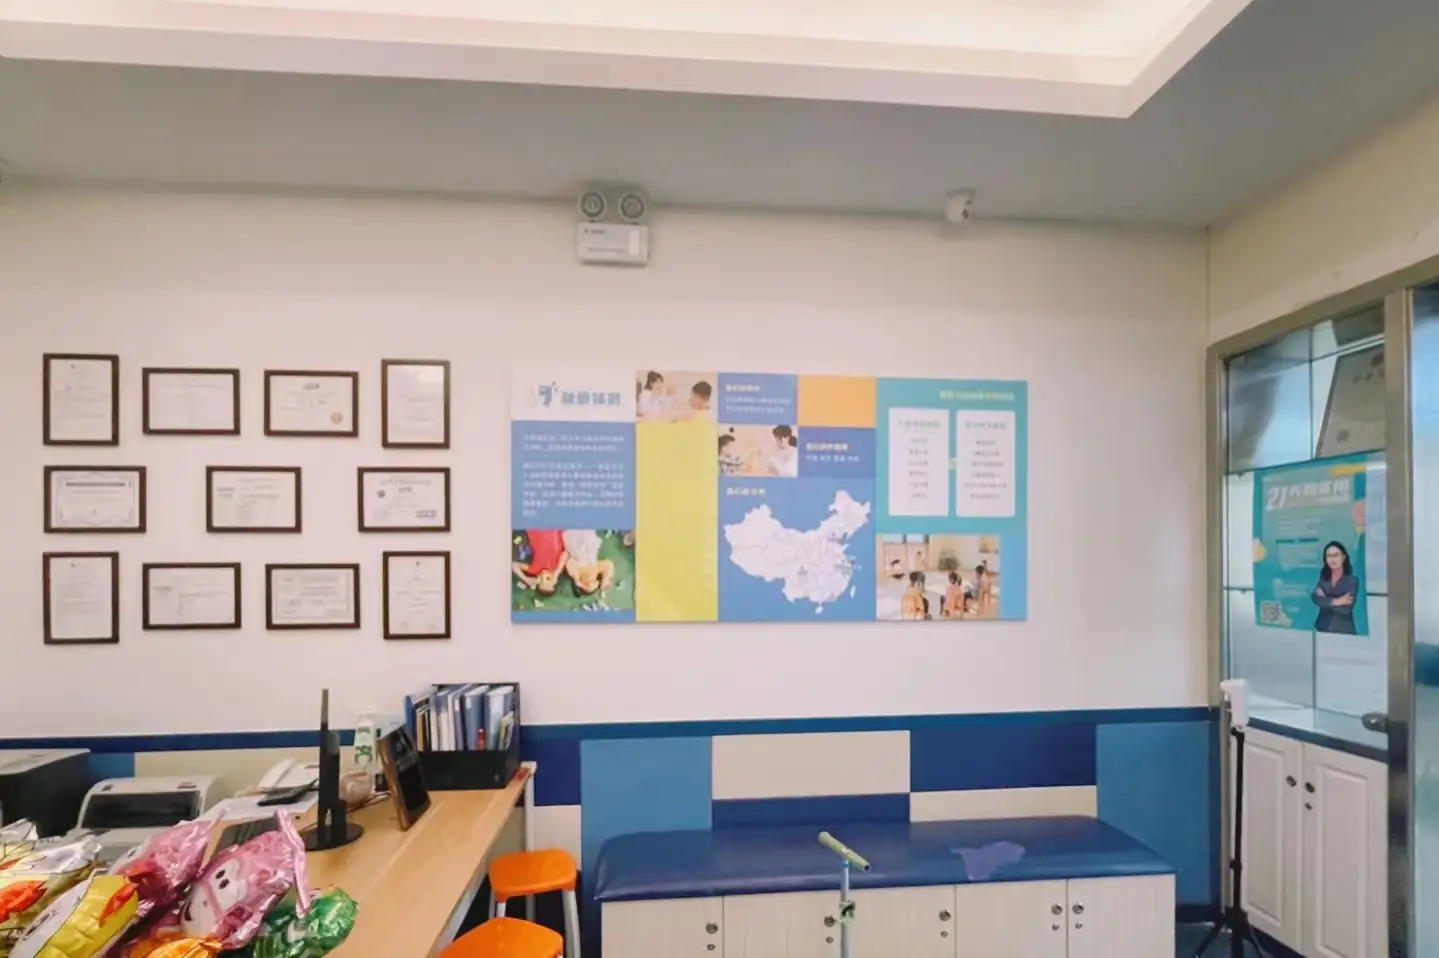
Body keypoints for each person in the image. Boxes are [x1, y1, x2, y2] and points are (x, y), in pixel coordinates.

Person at [1312, 540, 1359, 634]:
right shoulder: (1324, 578)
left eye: (1336, 555)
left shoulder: (1352, 581)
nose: (1332, 559)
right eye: (1329, 556)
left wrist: (1325, 600)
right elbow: (1315, 598)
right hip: (1322, 628)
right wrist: (1337, 601)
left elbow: (1345, 609)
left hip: (1343, 631)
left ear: (1343, 557)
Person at [513, 530, 567, 595]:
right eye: (548, 579)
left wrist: (526, 579)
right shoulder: (557, 567)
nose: (542, 575)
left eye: (540, 580)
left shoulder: (534, 569)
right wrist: (557, 572)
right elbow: (566, 553)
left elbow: (513, 565)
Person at [563, 529, 614, 595]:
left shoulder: (578, 572)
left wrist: (577, 579)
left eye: (586, 583)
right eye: (592, 580)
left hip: (573, 537)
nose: (590, 581)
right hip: (588, 536)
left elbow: (570, 562)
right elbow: (609, 564)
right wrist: (605, 579)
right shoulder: (596, 569)